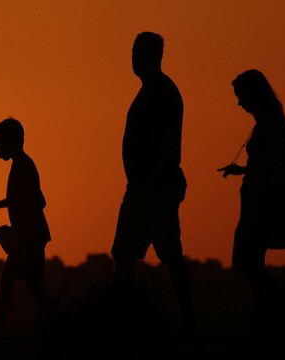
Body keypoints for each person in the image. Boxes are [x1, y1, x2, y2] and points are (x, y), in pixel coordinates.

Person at [111, 31, 194, 333]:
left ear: (156, 57)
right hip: (143, 187)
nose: (135, 58)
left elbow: (169, 145)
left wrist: (153, 182)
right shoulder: (151, 90)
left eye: (141, 53)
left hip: (154, 187)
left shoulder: (162, 91)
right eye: (134, 52)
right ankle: (129, 320)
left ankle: (181, 322)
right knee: (127, 253)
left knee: (166, 254)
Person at [218, 69, 285, 307]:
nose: (239, 103)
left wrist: (250, 173)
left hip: (261, 205)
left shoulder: (270, 125)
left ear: (254, 94)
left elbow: (270, 165)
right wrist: (242, 170)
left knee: (245, 262)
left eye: (241, 96)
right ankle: (267, 316)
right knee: (251, 263)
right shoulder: (268, 123)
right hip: (256, 203)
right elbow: (264, 164)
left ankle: (281, 304)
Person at [0, 117, 54, 338]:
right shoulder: (21, 165)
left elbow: (36, 200)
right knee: (33, 285)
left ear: (11, 142)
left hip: (31, 236)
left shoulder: (23, 165)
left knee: (8, 278)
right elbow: (27, 200)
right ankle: (61, 323)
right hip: (30, 234)